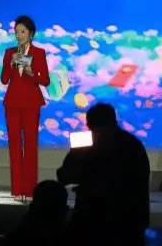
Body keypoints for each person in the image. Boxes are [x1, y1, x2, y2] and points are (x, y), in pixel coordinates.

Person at [57, 103, 151, 245]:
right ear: (113, 121)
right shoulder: (134, 144)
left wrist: (75, 155)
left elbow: (65, 176)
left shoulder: (87, 146)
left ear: (90, 124)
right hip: (130, 222)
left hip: (92, 220)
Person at [2, 15, 50, 201]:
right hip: (12, 103)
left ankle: (30, 190)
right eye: (16, 32)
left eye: (22, 31)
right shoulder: (9, 52)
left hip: (31, 103)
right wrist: (10, 64)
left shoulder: (39, 53)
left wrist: (32, 72)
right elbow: (4, 79)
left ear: (31, 33)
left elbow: (45, 80)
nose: (19, 35)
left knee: (30, 146)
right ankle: (17, 190)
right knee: (14, 146)